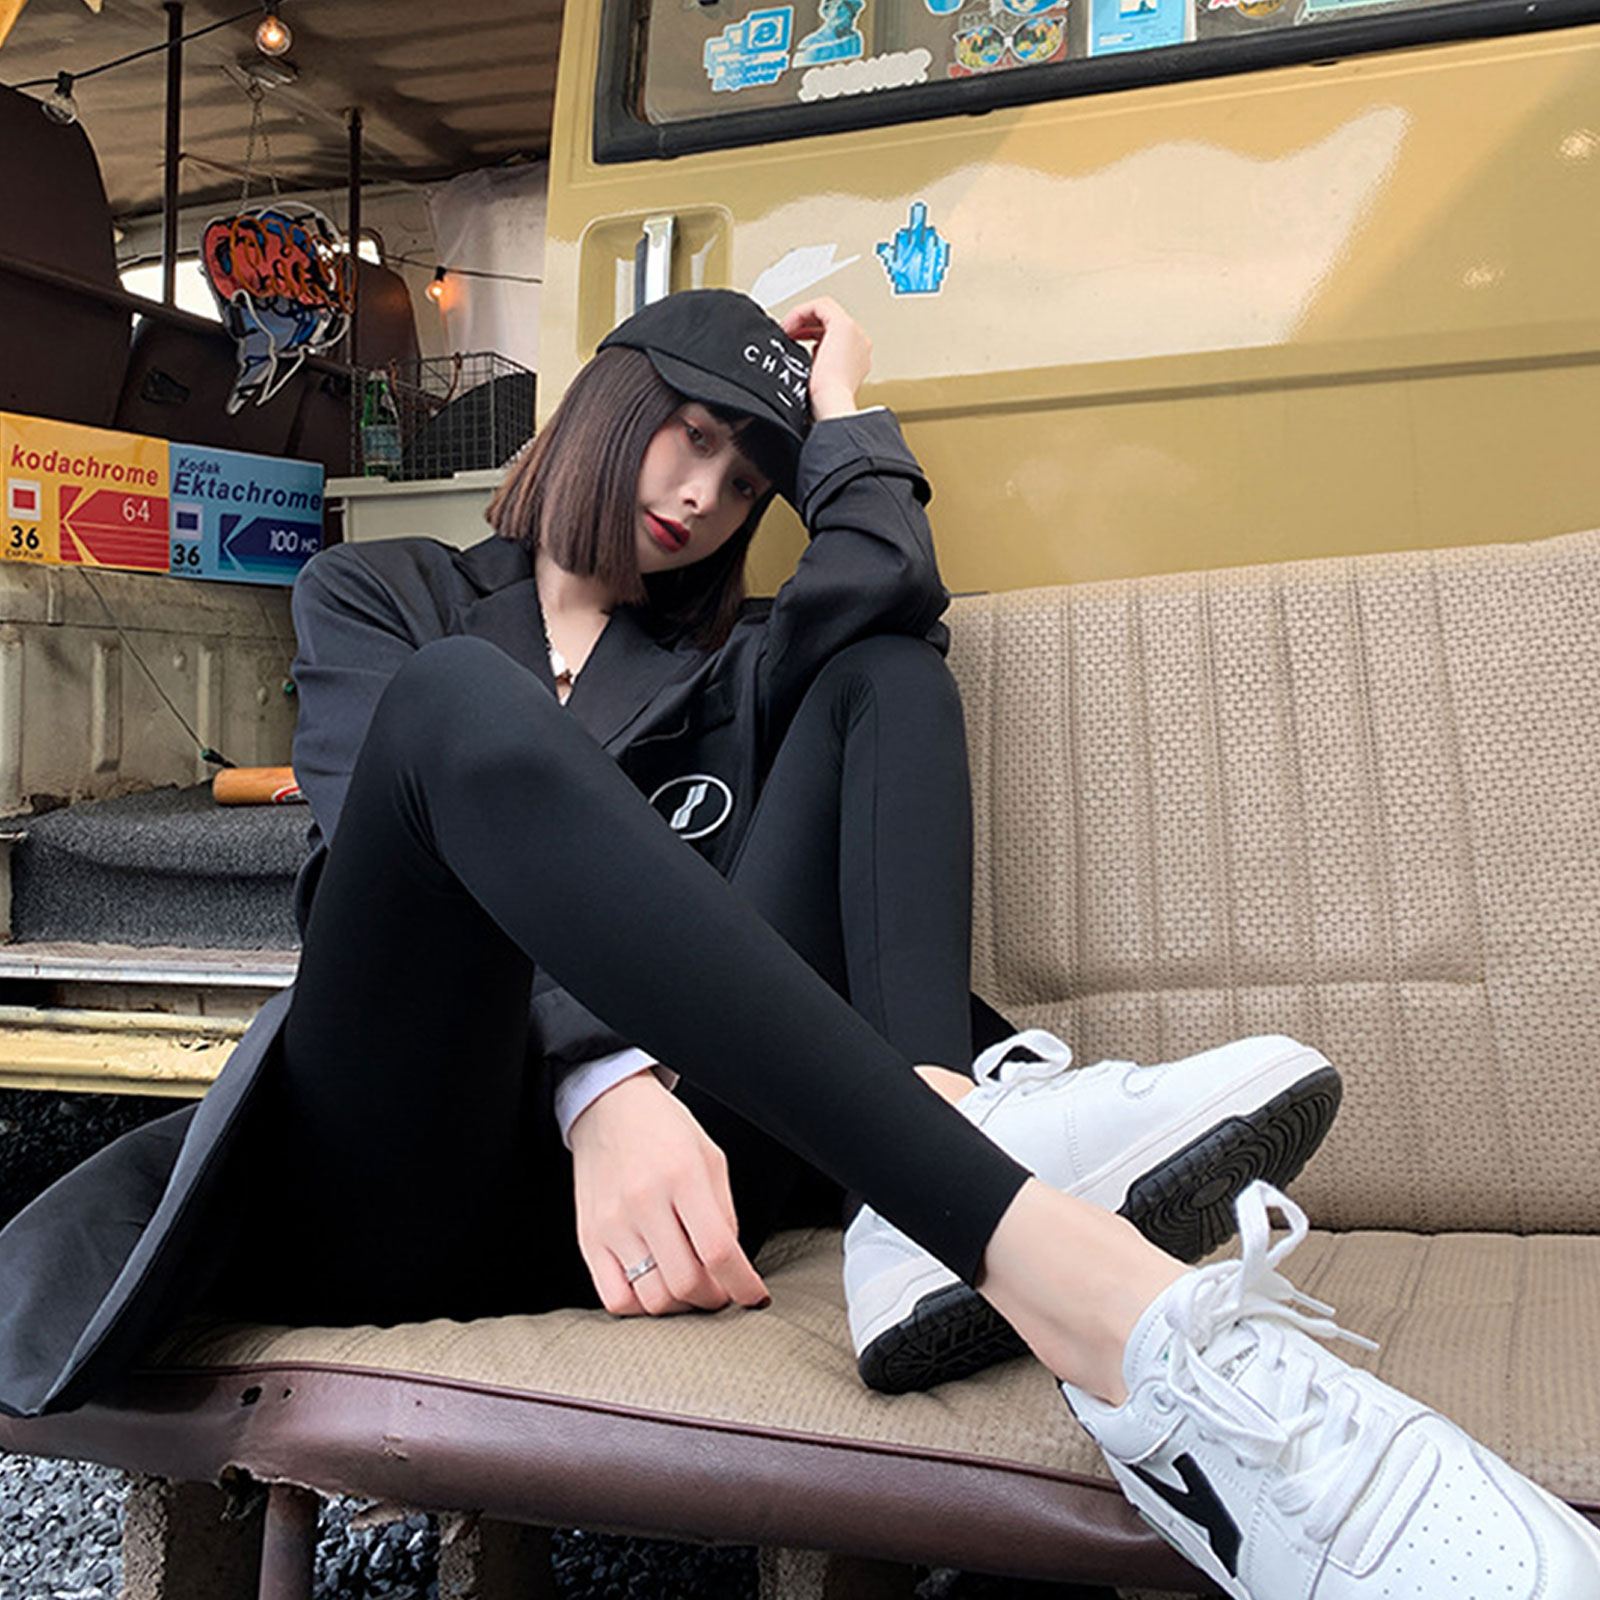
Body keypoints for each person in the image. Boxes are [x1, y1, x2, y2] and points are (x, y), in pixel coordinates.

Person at [0, 290, 1594, 1600]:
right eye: (690, 434)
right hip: (416, 1160)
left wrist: (846, 413)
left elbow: (889, 589)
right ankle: (1093, 1294)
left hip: (701, 1186)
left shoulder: (733, 660)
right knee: (455, 711)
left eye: (748, 478)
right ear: (607, 402)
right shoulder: (386, 595)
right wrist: (599, 1082)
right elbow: (367, 834)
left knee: (886, 673)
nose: (705, 495)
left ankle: (946, 1153)